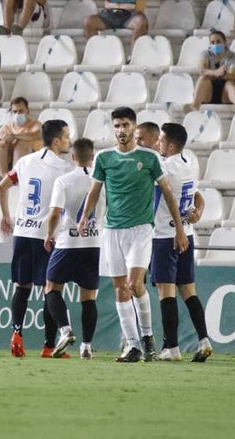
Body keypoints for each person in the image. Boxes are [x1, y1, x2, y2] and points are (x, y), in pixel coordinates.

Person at [77, 107, 186, 362]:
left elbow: (168, 193)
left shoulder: (149, 158)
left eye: (125, 125)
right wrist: (85, 216)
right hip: (112, 229)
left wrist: (179, 228)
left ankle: (147, 336)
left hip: (141, 229)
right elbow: (94, 191)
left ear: (133, 128)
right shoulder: (104, 158)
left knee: (135, 285)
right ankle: (134, 346)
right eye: (116, 126)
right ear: (112, 128)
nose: (121, 130)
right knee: (119, 289)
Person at [0, 119, 74, 358]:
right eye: (67, 136)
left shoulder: (25, 161)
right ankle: (49, 345)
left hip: (22, 232)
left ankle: (16, 334)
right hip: (45, 237)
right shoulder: (64, 168)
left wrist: (7, 216)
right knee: (49, 290)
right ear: (57, 140)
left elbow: (1, 187)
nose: (69, 140)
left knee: (22, 286)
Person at [152, 123, 213, 362]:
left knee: (165, 293)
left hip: (166, 236)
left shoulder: (165, 167)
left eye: (161, 141)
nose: (158, 144)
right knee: (189, 291)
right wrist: (198, 211)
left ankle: (172, 348)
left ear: (169, 144)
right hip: (187, 234)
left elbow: (166, 198)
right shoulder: (190, 162)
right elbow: (197, 194)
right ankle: (204, 340)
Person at [42, 137, 102, 359]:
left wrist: (49, 234)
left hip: (68, 242)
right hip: (93, 243)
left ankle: (65, 330)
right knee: (88, 298)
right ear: (93, 156)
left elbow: (55, 212)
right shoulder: (102, 181)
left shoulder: (64, 180)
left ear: (73, 156)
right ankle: (86, 346)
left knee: (51, 288)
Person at [0, 97, 42, 176]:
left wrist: (14, 136)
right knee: (0, 144)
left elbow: (36, 135)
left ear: (27, 111)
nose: (18, 114)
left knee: (21, 144)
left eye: (21, 111)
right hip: (11, 158)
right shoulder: (8, 126)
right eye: (15, 111)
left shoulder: (35, 124)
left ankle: (16, 176)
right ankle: (4, 176)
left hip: (33, 157)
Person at [193, 30, 235, 108]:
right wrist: (215, 72)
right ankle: (194, 106)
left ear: (225, 42)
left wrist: (222, 74)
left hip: (226, 94)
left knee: (230, 83)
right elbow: (201, 69)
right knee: (203, 78)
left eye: (218, 42)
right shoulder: (205, 54)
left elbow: (232, 75)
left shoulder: (234, 57)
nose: (215, 44)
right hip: (209, 92)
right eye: (212, 42)